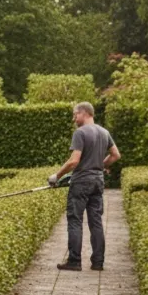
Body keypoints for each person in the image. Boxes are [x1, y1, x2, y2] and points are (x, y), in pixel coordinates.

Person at [49, 102, 121, 271]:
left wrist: (56, 176)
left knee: (75, 220)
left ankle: (74, 261)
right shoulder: (104, 132)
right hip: (98, 181)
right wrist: (100, 166)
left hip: (81, 182)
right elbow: (115, 155)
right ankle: (98, 262)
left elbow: (74, 161)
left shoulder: (80, 133)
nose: (74, 118)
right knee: (96, 221)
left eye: (75, 114)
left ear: (84, 113)